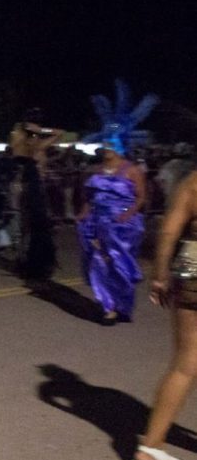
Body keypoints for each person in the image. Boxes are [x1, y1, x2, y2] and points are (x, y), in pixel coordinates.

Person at [135, 171, 197, 460]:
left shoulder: (192, 182)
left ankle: (149, 451)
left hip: (192, 270)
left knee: (185, 364)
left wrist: (160, 274)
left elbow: (169, 232)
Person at [77, 139, 146, 324]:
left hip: (123, 226)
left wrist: (128, 214)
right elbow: (90, 197)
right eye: (106, 145)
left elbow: (141, 197)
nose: (108, 149)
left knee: (118, 265)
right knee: (98, 262)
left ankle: (122, 304)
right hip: (98, 222)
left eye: (113, 145)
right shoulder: (97, 170)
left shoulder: (132, 170)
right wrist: (84, 213)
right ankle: (108, 307)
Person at [8, 115, 63, 281]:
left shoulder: (38, 146)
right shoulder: (25, 147)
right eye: (34, 134)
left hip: (35, 188)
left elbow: (60, 133)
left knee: (31, 226)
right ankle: (26, 260)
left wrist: (40, 130)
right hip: (29, 189)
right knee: (28, 226)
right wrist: (32, 130)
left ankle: (26, 259)